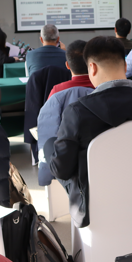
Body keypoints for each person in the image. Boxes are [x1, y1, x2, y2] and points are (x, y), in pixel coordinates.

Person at [48, 36, 132, 227]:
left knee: (52, 147)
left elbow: (62, 170)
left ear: (92, 68)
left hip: (96, 205)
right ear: (125, 65)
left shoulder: (77, 111)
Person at [38, 40, 95, 186]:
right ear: (92, 64)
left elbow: (49, 127)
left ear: (67, 65)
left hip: (66, 163)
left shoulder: (57, 91)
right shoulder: (101, 88)